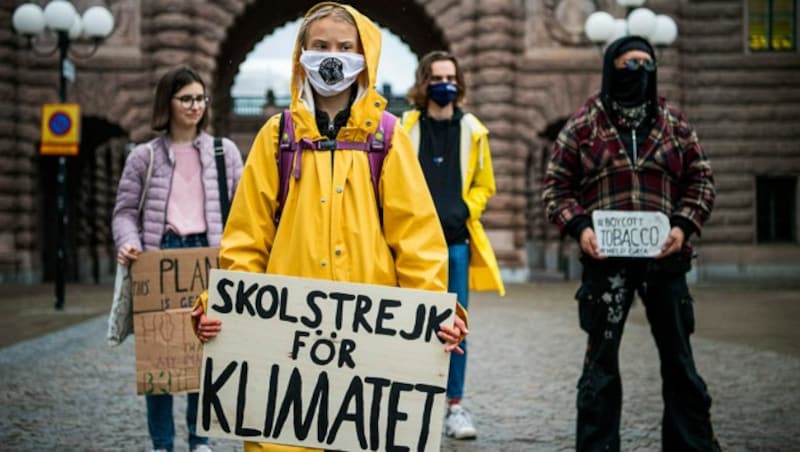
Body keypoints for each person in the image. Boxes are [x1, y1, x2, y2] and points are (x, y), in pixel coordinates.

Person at [189, 3, 468, 452]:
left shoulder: (387, 137)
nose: (331, 56)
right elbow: (245, 242)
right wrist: (222, 305)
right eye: (320, 46)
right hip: (285, 346)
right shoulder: (275, 137)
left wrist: (435, 314)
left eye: (344, 47)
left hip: (370, 347)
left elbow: (416, 241)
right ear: (301, 54)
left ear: (364, 56)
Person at [542, 35, 720, 451]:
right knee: (600, 367)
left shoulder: (673, 123)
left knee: (679, 363)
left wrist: (683, 225)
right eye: (628, 65)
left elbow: (701, 178)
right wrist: (580, 227)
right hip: (607, 266)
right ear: (611, 68)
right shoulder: (585, 124)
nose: (638, 73)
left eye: (646, 64)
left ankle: (689, 445)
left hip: (665, 261)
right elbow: (556, 187)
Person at [112, 65, 244, 452]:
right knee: (161, 359)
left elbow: (242, 210)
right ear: (166, 103)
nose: (194, 106)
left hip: (209, 256)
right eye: (185, 98)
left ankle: (200, 440)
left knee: (204, 352)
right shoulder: (143, 157)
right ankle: (162, 444)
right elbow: (123, 211)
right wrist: (128, 241)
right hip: (160, 255)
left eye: (200, 98)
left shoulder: (225, 151)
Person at [401, 50, 505, 440]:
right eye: (437, 77)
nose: (445, 84)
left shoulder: (474, 130)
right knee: (409, 323)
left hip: (456, 243)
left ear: (459, 83)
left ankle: (455, 407)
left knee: (455, 327)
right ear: (423, 83)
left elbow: (485, 184)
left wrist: (465, 209)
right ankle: (412, 404)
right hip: (413, 246)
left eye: (451, 77)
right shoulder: (405, 127)